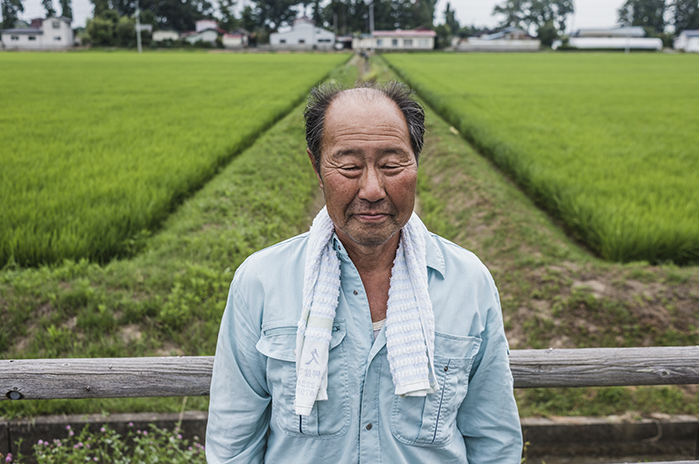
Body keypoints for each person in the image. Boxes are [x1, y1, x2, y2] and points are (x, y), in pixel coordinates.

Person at [206, 81, 522, 463]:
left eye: (391, 165)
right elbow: (233, 446)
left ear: (417, 163)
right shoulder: (260, 282)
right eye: (350, 166)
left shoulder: (467, 283)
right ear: (316, 166)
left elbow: (494, 443)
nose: (372, 189)